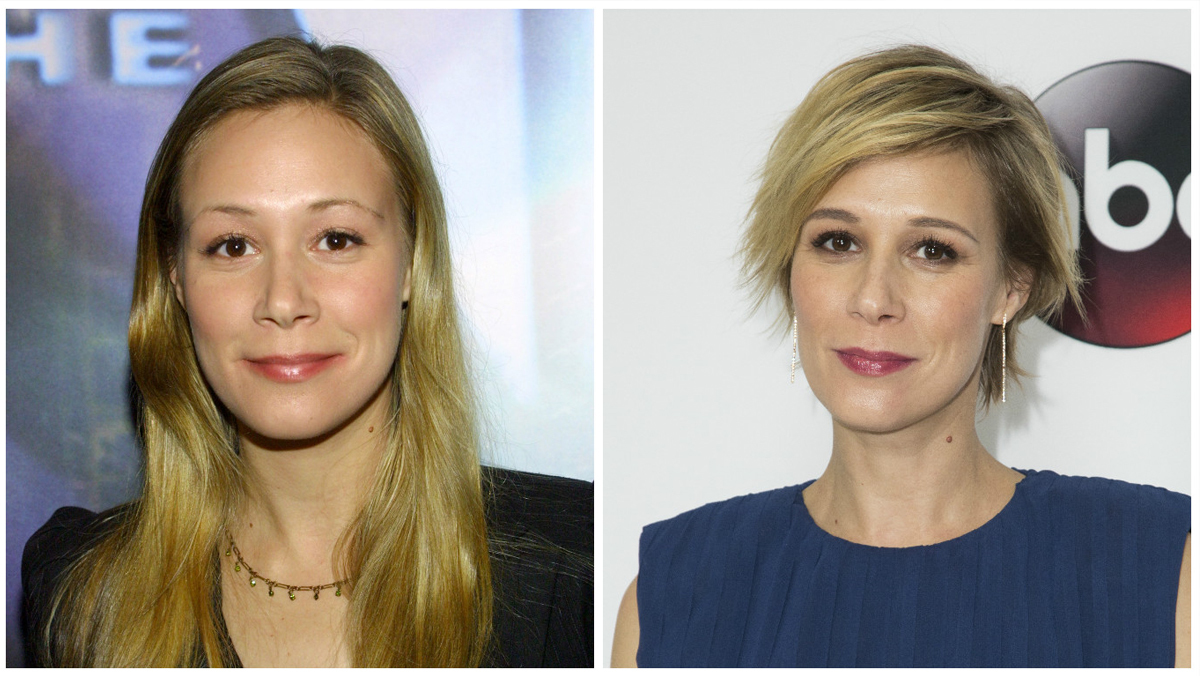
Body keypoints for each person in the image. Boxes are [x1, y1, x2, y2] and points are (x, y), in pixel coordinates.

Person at [610, 45, 1189, 668]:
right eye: (838, 241)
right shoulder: (676, 594)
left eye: (932, 250)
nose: (873, 299)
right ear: (790, 267)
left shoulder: (1158, 573)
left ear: (1010, 289)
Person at [21, 36, 592, 668]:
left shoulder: (581, 571)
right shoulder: (86, 595)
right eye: (233, 245)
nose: (284, 300)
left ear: (412, 263)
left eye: (336, 239)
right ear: (176, 279)